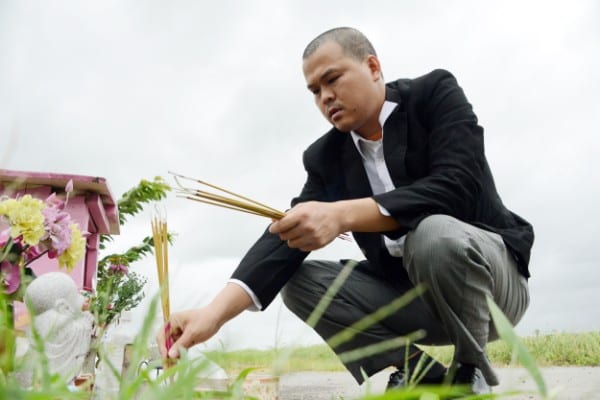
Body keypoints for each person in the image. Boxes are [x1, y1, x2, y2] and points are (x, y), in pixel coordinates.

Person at [158, 27, 533, 394]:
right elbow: (283, 239)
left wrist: (343, 214)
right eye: (315, 91)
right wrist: (213, 314)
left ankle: (469, 371)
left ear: (372, 67)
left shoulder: (432, 95)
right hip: (411, 298)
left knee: (431, 234)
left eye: (332, 79)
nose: (325, 97)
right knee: (299, 283)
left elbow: (457, 185)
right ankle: (416, 371)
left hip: (491, 289)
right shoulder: (326, 157)